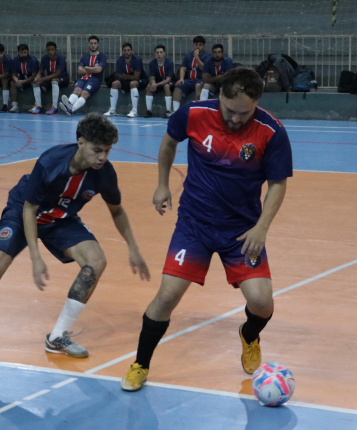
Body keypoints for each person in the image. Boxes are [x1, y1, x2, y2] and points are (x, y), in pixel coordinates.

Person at [120, 67, 293, 392]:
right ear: (219, 96)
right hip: (194, 225)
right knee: (166, 297)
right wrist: (162, 184)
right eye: (229, 110)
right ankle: (140, 364)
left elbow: (278, 184)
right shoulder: (194, 113)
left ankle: (249, 335)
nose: (236, 119)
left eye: (244, 113)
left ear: (256, 102)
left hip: (241, 231)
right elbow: (169, 143)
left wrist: (261, 228)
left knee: (262, 302)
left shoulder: (271, 131)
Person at [0, 113, 151, 359]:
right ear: (80, 142)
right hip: (22, 212)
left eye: (108, 151)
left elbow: (117, 211)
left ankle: (57, 337)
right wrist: (35, 257)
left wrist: (133, 248)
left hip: (60, 218)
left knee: (96, 261)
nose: (102, 157)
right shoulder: (51, 162)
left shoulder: (105, 174)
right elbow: (29, 209)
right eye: (97, 150)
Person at [59, 36, 107, 116]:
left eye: (95, 43)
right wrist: (93, 68)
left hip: (94, 80)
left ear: (98, 44)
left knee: (84, 93)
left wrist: (87, 68)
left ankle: (71, 109)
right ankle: (69, 104)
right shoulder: (85, 57)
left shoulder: (102, 57)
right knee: (77, 91)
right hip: (83, 78)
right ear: (88, 44)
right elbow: (79, 70)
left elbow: (99, 70)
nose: (93, 45)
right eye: (91, 43)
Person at [103, 43, 147, 118]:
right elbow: (120, 75)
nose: (126, 52)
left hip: (141, 80)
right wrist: (128, 76)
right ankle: (112, 110)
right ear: (122, 51)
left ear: (132, 51)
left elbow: (136, 77)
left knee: (133, 83)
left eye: (128, 50)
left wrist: (125, 76)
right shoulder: (120, 60)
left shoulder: (137, 59)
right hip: (126, 81)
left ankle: (134, 111)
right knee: (114, 83)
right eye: (125, 50)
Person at [172, 35, 210, 115]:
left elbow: (203, 68)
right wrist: (181, 78)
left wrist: (196, 57)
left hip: (200, 80)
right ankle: (176, 111)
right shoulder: (188, 56)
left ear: (203, 46)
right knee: (178, 86)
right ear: (193, 45)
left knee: (198, 86)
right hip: (189, 80)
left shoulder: (207, 56)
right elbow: (183, 68)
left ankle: (198, 111)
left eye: (200, 45)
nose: (198, 47)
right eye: (196, 45)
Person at [33, 41, 70, 115]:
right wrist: (37, 77)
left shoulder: (61, 58)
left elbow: (57, 74)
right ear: (46, 50)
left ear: (56, 50)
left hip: (63, 79)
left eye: (52, 50)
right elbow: (40, 71)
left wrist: (42, 79)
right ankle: (38, 106)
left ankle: (54, 108)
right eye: (48, 50)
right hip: (49, 79)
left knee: (54, 81)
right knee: (35, 83)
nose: (50, 52)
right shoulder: (44, 58)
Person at [9, 44, 42, 114]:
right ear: (18, 53)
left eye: (25, 52)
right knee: (12, 83)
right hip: (21, 79)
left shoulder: (33, 60)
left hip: (31, 79)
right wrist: (17, 80)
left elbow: (34, 75)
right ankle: (15, 105)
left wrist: (23, 81)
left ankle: (37, 105)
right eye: (21, 53)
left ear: (28, 52)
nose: (23, 55)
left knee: (35, 81)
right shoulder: (15, 60)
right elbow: (13, 74)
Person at [145, 45, 175, 118]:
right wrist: (153, 84)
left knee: (166, 86)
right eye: (157, 52)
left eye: (161, 52)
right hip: (157, 82)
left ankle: (168, 111)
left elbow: (168, 79)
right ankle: (149, 111)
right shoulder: (152, 63)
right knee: (149, 87)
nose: (159, 54)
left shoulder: (169, 63)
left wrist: (157, 85)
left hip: (168, 82)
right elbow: (152, 77)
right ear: (154, 53)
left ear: (164, 53)